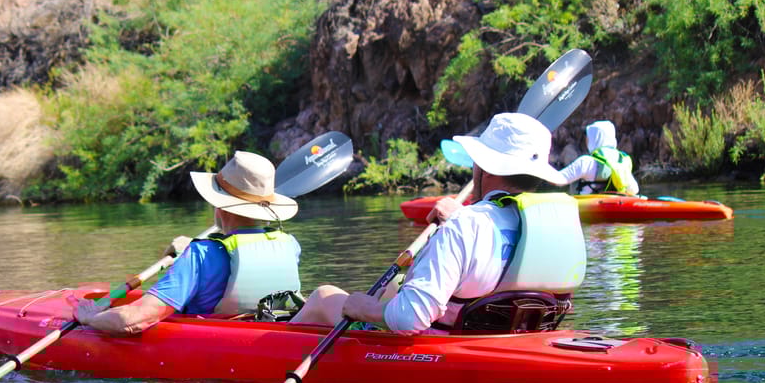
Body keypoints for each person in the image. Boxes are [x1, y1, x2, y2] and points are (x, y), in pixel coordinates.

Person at [290, 112, 587, 334]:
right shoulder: (559, 222)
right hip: (518, 339)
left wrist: (365, 309)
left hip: (444, 348)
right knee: (394, 286)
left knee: (323, 296)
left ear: (483, 165)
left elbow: (411, 319)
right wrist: (459, 217)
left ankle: (267, 345)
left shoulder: (465, 226)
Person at [74, 151, 302, 335]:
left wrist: (91, 317)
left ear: (220, 206)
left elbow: (134, 320)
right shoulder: (290, 245)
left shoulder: (200, 254)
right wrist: (188, 254)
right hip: (273, 333)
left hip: (213, 350)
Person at [557, 120, 639, 196]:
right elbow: (634, 190)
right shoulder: (621, 161)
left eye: (588, 136)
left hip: (585, 208)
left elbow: (559, 180)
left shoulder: (586, 162)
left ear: (594, 138)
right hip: (613, 205)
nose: (586, 139)